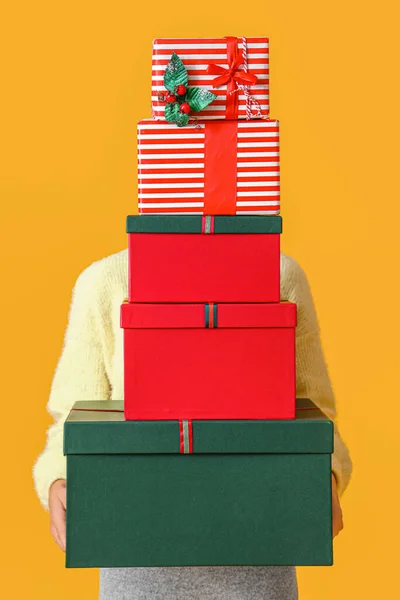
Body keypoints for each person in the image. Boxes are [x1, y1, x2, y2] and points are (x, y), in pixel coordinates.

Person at [33, 248, 352, 600]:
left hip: (259, 550)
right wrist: (60, 476)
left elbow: (313, 405)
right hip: (136, 556)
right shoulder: (104, 281)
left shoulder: (278, 274)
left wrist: (325, 473)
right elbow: (73, 412)